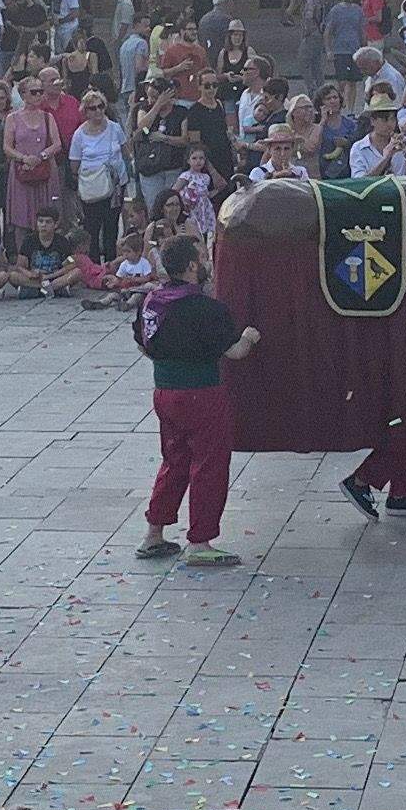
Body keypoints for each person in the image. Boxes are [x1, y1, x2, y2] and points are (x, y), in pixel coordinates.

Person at [130, 235, 259, 567]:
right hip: (202, 394)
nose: (207, 263)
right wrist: (249, 336)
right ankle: (200, 541)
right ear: (191, 266)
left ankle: (154, 533)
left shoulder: (152, 302)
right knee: (208, 465)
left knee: (174, 461)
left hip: (165, 392)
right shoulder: (205, 308)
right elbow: (235, 352)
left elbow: (145, 346)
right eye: (203, 257)